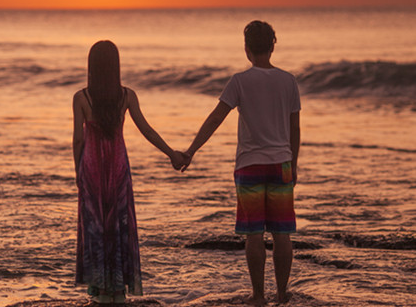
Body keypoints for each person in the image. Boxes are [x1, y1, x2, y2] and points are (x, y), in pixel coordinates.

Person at [180, 21, 301, 305]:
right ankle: (282, 294)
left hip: (249, 165)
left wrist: (191, 150)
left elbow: (215, 118)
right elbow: (295, 128)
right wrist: (293, 163)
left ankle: (258, 296)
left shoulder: (239, 81)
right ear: (273, 46)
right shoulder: (288, 81)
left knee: (254, 234)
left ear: (247, 49)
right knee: (282, 233)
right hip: (282, 162)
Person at [73, 40, 185, 304]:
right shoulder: (126, 96)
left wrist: (78, 171)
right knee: (120, 224)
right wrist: (172, 154)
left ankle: (101, 290)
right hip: (118, 167)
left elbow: (78, 140)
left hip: (92, 169)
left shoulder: (81, 97)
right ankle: (118, 291)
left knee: (96, 226)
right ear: (116, 66)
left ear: (91, 66)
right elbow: (146, 130)